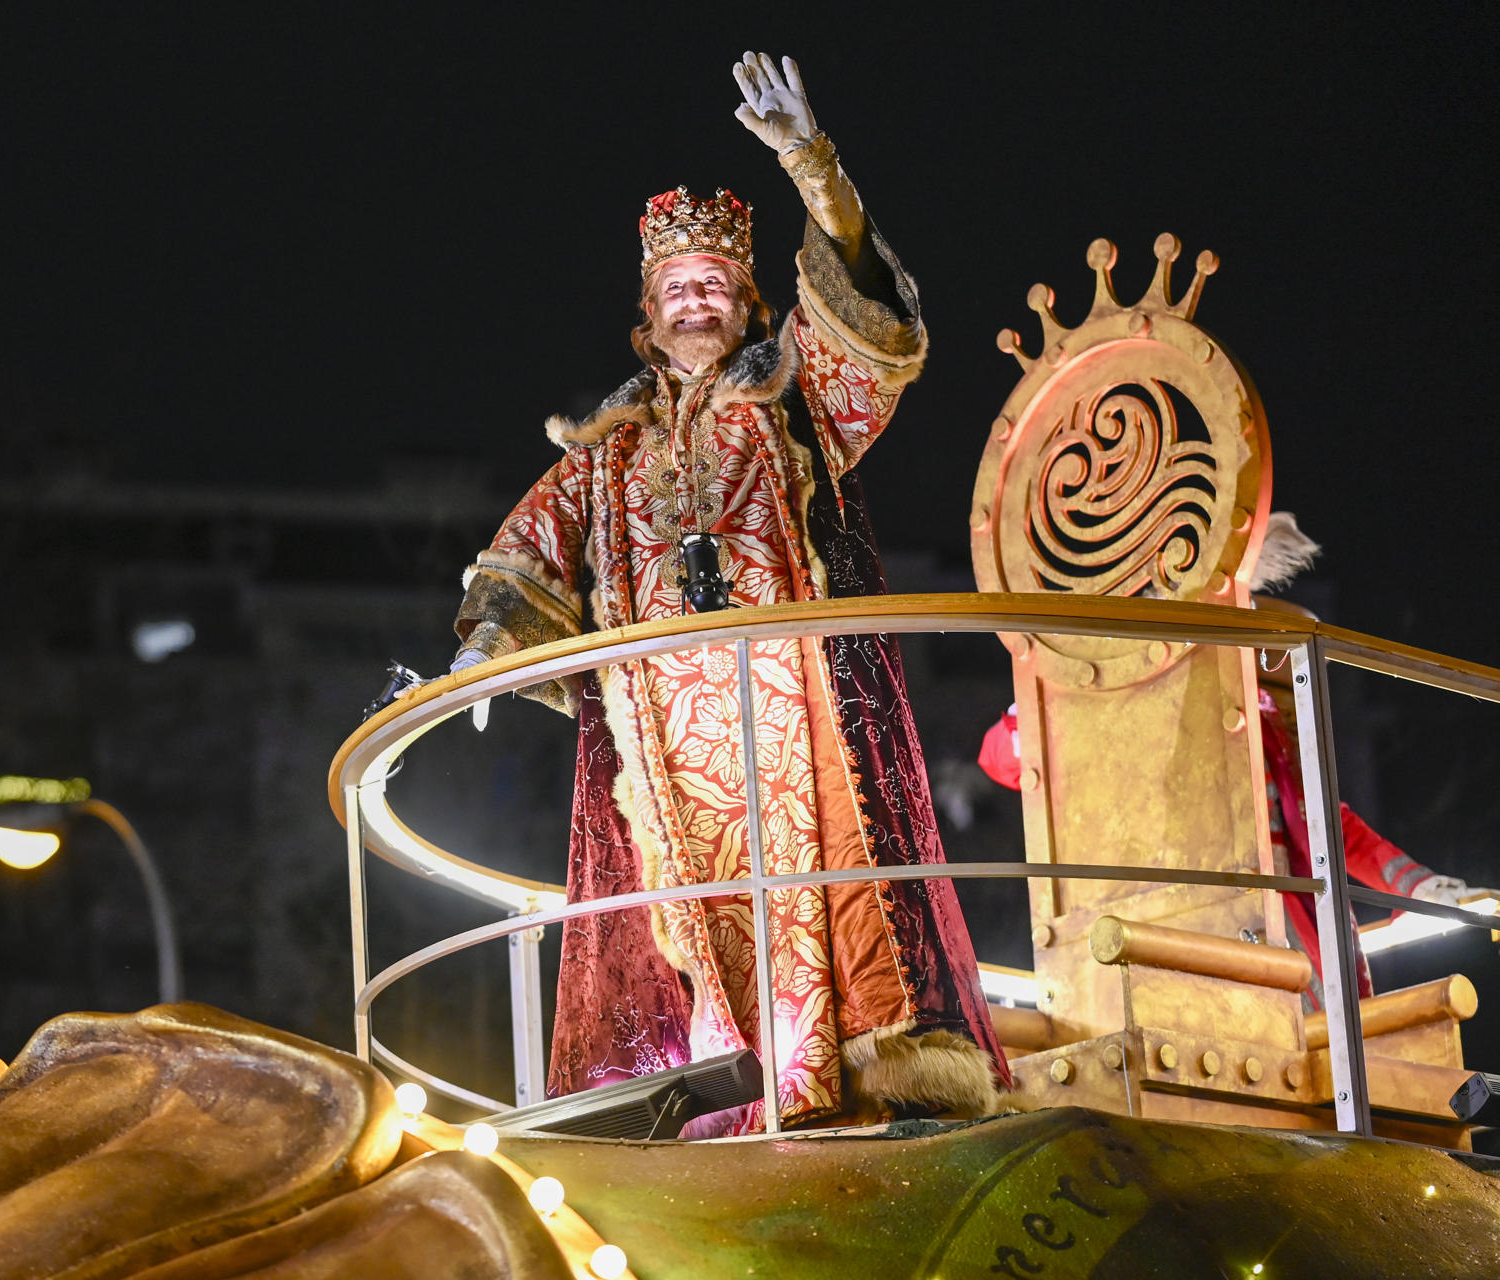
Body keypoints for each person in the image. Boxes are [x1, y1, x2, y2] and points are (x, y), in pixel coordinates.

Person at [451, 52, 1006, 1131]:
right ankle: (717, 1103)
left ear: (743, 301)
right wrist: (485, 646)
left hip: (796, 723)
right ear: (648, 314)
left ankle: (841, 1079)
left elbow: (876, 328)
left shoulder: (794, 398)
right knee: (685, 924)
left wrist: (814, 164)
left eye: (713, 284)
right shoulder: (605, 454)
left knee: (821, 903)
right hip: (665, 750)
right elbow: (531, 545)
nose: (695, 301)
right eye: (676, 289)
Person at [976, 513, 1489, 1007]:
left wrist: (1418, 885)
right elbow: (1001, 757)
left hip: (1280, 922)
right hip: (1159, 930)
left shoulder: (1255, 717)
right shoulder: (1111, 715)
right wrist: (1063, 701)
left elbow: (1325, 823)